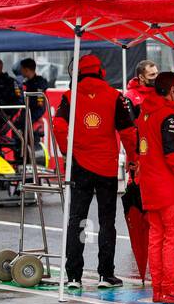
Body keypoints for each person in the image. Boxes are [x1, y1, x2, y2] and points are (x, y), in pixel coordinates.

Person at [53, 53, 138, 290]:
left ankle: (73, 276)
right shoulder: (114, 96)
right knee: (106, 222)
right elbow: (129, 133)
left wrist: (66, 152)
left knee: (76, 220)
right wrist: (132, 159)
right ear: (101, 72)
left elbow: (58, 125)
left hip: (79, 164)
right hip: (106, 167)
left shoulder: (69, 97)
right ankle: (105, 275)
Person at [135, 71, 174, 304]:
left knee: (156, 237)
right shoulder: (168, 117)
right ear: (171, 90)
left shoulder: (144, 115)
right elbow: (173, 155)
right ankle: (171, 287)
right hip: (168, 187)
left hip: (149, 186)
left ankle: (159, 289)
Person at [17, 58, 51, 136]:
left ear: (26, 70)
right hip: (26, 120)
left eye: (21, 69)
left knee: (33, 146)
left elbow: (40, 107)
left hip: (33, 122)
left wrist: (29, 120)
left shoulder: (39, 84)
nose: (20, 71)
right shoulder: (26, 83)